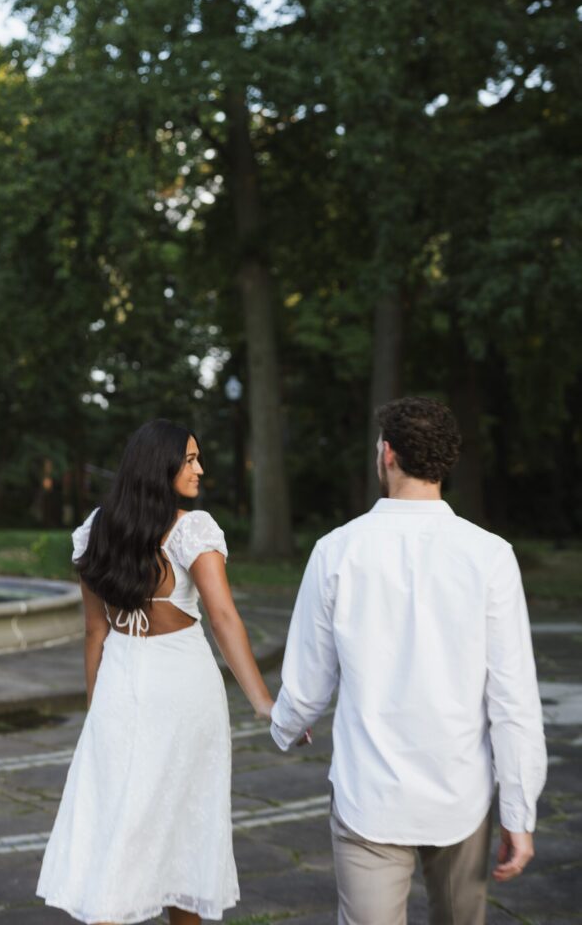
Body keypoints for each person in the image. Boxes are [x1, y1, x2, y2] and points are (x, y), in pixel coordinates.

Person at [270, 396, 547, 925]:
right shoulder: (490, 555)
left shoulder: (337, 550)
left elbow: (307, 682)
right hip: (460, 791)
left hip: (368, 793)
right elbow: (513, 698)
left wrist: (287, 724)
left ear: (389, 454)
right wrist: (519, 811)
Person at [37, 418, 275, 925]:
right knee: (183, 822)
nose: (200, 469)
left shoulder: (96, 530)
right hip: (182, 686)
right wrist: (262, 702)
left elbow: (95, 632)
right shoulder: (192, 529)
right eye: (189, 459)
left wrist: (97, 709)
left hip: (119, 682)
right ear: (159, 465)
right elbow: (223, 618)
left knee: (118, 820)